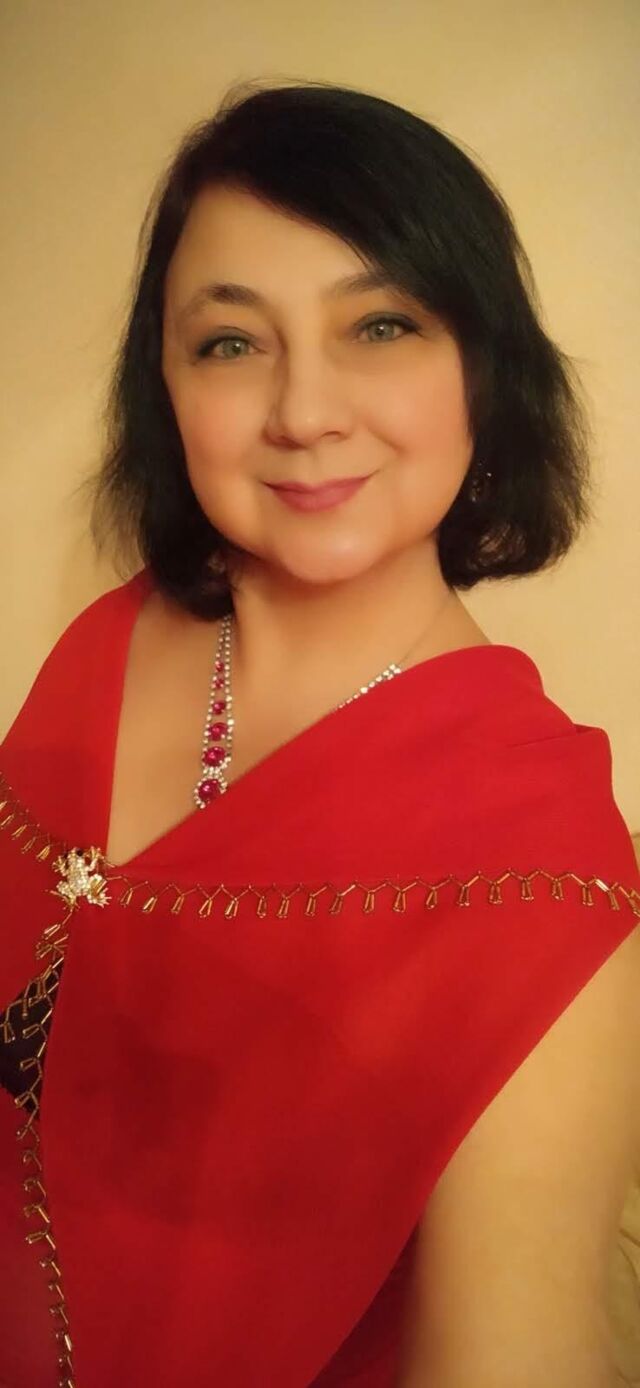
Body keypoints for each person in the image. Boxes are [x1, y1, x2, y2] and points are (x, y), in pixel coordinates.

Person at [1, 76, 639, 1388]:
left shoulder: (542, 882)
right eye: (232, 342)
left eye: (380, 326)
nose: (303, 411)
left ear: (484, 368)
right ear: (166, 382)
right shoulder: (105, 646)